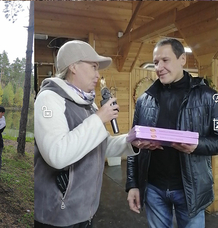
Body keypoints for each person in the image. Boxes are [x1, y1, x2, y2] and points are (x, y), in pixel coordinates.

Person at [35, 41, 141, 227]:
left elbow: (101, 146)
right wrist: (99, 118)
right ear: (73, 66)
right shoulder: (49, 99)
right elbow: (57, 155)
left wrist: (131, 141)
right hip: (57, 217)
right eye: (93, 67)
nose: (98, 75)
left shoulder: (88, 104)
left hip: (85, 210)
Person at [126, 38, 218, 228]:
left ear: (182, 59)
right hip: (153, 189)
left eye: (165, 60)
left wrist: (197, 146)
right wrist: (132, 184)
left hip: (191, 191)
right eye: (156, 62)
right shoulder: (144, 100)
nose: (159, 67)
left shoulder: (209, 97)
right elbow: (132, 145)